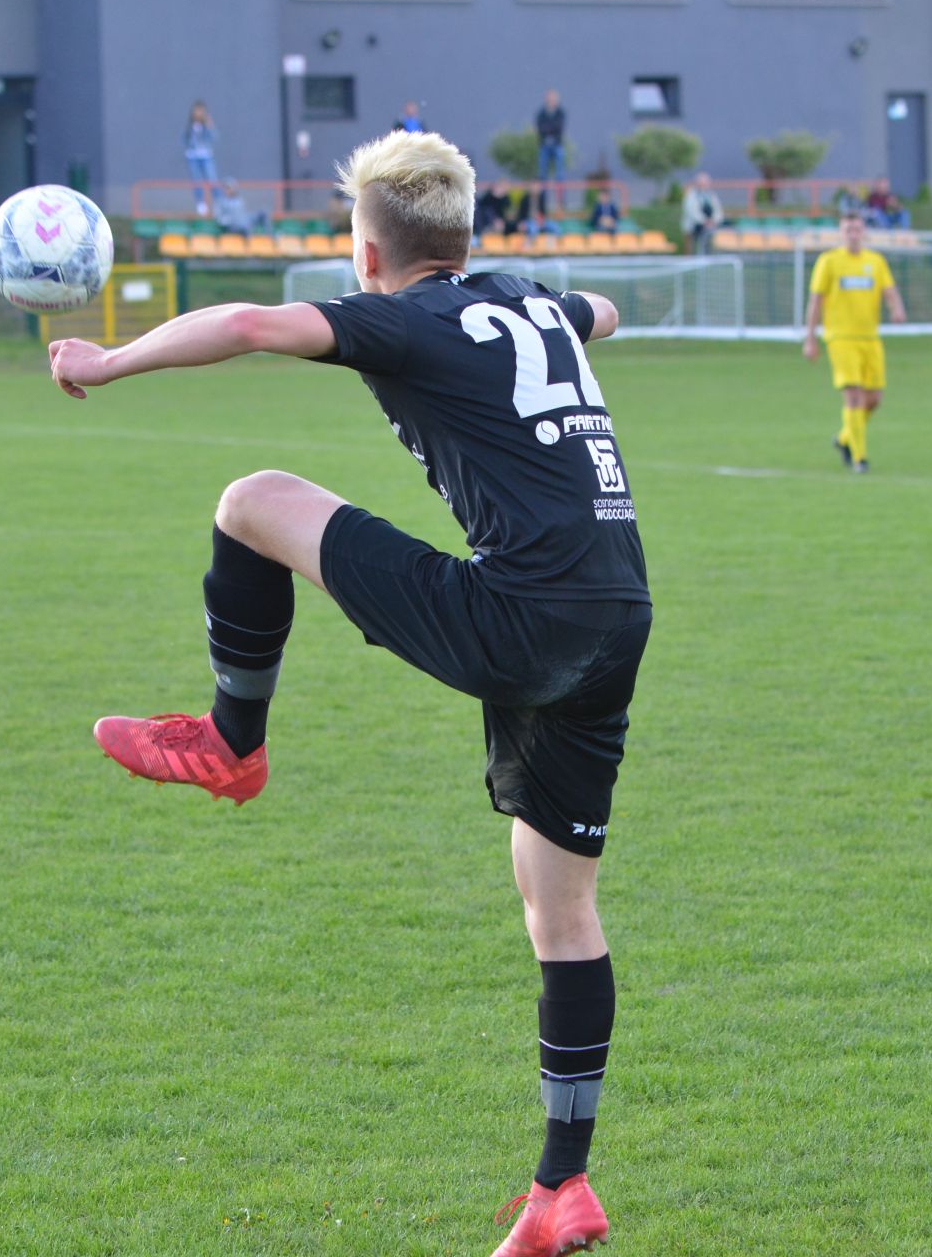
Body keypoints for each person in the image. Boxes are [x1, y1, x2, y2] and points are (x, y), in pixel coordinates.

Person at [47, 129, 647, 1257]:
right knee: (559, 906)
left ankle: (232, 742)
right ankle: (561, 1187)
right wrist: (574, 316)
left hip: (521, 620)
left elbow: (246, 325)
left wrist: (108, 360)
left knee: (252, 500)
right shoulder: (532, 301)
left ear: (368, 255)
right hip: (616, 617)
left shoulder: (400, 318)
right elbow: (602, 310)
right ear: (463, 236)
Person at [802, 210, 907, 474]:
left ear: (864, 233)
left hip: (870, 339)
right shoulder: (829, 262)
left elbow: (889, 290)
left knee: (874, 399)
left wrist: (896, 308)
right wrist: (810, 338)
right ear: (841, 233)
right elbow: (816, 301)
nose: (853, 235)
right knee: (853, 397)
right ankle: (859, 458)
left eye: (857, 229)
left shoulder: (875, 261)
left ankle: (844, 438)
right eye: (848, 230)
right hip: (840, 338)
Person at [183, 101, 218, 216]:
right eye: (196, 111)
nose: (198, 113)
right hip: (193, 157)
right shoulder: (190, 127)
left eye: (201, 111)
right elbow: (184, 139)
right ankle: (200, 204)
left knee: (212, 180)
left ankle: (217, 204)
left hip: (206, 156)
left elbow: (214, 138)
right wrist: (188, 151)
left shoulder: (206, 126)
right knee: (197, 181)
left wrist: (210, 127)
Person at [535, 89, 567, 214]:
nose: (551, 101)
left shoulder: (560, 113)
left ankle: (561, 203)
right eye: (549, 98)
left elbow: (559, 127)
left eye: (553, 98)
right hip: (544, 145)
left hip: (557, 145)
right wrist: (550, 130)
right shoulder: (541, 113)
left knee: (560, 175)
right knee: (543, 175)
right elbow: (540, 128)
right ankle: (543, 204)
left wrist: (548, 130)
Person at [681, 172, 722, 253]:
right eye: (701, 183)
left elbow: (717, 210)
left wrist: (713, 220)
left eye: (705, 183)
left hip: (710, 226)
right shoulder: (691, 195)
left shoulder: (711, 195)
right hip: (694, 226)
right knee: (690, 246)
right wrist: (704, 221)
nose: (703, 185)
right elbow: (692, 211)